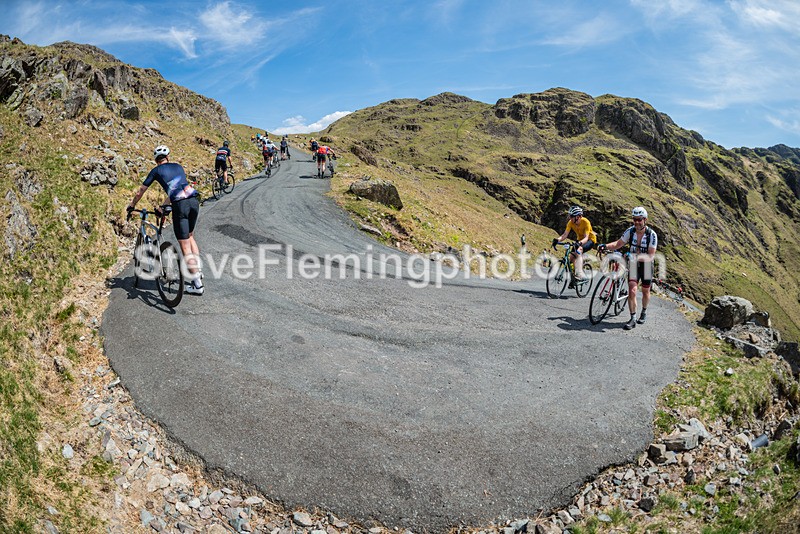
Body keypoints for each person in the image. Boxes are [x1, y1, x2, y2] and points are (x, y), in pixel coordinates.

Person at [126, 145, 204, 295]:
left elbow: (140, 191)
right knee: (190, 236)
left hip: (180, 205)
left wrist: (132, 205)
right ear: (168, 157)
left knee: (184, 245)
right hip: (194, 201)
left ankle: (197, 285)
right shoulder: (178, 166)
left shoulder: (156, 171)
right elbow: (179, 188)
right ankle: (198, 272)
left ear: (156, 161)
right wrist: (164, 206)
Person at [598, 206, 658, 330]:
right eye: (634, 219)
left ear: (645, 220)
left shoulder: (652, 235)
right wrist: (606, 246)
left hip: (646, 265)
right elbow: (618, 243)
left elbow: (650, 256)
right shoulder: (630, 231)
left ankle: (644, 311)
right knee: (632, 290)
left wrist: (634, 256)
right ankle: (633, 318)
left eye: (639, 219)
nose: (636, 222)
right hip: (634, 264)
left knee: (645, 291)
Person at [552, 205, 596, 287]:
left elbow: (586, 238)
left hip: (590, 240)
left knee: (579, 250)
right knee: (571, 258)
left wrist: (579, 244)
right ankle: (574, 278)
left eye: (572, 216)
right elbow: (565, 235)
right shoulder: (570, 223)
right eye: (570, 216)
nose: (570, 218)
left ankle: (579, 274)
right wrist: (557, 240)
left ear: (578, 217)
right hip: (579, 240)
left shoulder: (586, 222)